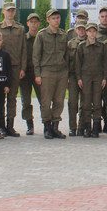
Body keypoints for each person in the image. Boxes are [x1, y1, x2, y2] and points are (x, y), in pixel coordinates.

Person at [0, 2, 27, 137]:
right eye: (8, 10)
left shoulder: (20, 28)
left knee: (12, 97)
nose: (10, 13)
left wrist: (23, 67)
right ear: (3, 12)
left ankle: (10, 125)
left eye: (13, 11)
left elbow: (24, 49)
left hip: (15, 67)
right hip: (0, 66)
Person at [33, 8, 69, 139]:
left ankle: (55, 127)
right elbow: (36, 56)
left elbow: (67, 55)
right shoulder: (41, 35)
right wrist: (37, 74)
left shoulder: (64, 35)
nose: (56, 20)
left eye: (58, 18)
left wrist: (67, 73)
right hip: (47, 71)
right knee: (46, 101)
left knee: (59, 101)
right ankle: (47, 127)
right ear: (48, 20)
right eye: (53, 18)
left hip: (61, 72)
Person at [77, 23, 107, 137]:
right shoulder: (81, 46)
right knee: (86, 103)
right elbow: (78, 63)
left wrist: (104, 77)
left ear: (96, 32)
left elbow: (105, 63)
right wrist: (79, 78)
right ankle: (87, 128)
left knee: (97, 102)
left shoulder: (102, 46)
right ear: (86, 32)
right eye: (89, 31)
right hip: (86, 78)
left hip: (98, 77)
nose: (92, 33)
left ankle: (95, 128)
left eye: (94, 31)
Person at [67, 21, 87, 136]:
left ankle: (81, 126)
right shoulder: (70, 44)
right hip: (73, 76)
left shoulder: (90, 42)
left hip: (86, 76)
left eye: (83, 29)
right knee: (72, 102)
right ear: (75, 30)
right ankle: (72, 127)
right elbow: (66, 61)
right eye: (79, 29)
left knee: (85, 102)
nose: (81, 31)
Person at [23, 13, 42, 135]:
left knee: (43, 100)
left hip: (39, 73)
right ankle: (29, 125)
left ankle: (47, 123)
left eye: (36, 22)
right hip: (25, 73)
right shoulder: (23, 38)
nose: (34, 24)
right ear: (27, 23)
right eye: (31, 22)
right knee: (26, 100)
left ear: (39, 24)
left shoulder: (42, 37)